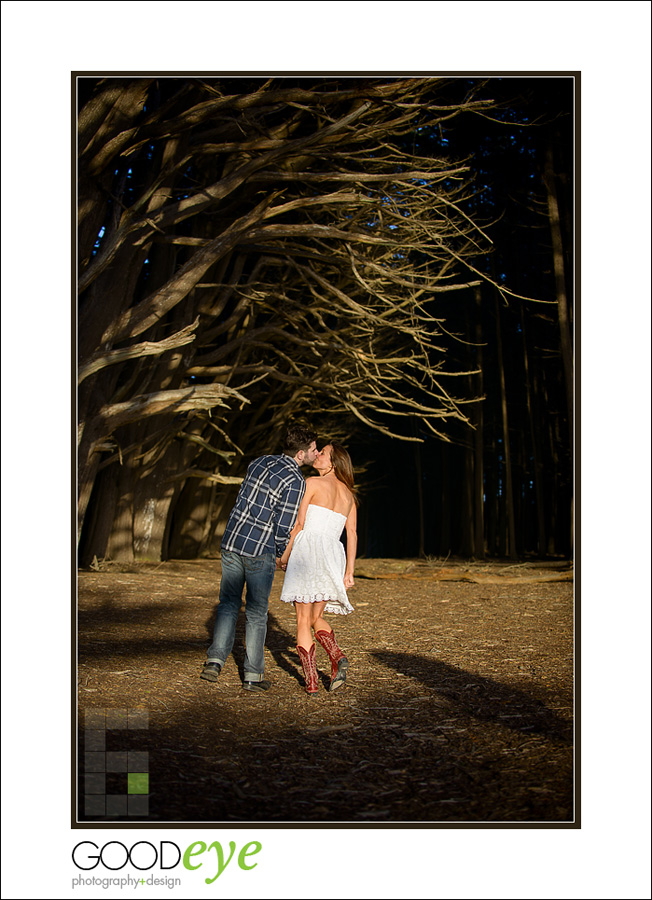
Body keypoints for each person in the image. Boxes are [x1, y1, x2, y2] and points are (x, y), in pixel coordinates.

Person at [201, 425, 318, 691]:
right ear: (300, 454)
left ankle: (215, 661)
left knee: (228, 604)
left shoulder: (260, 462)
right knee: (255, 613)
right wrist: (279, 552)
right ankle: (252, 675)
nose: (316, 453)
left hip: (232, 541)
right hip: (259, 551)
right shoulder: (295, 480)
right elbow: (284, 523)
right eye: (313, 450)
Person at [279, 443, 357, 694]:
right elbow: (352, 533)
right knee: (315, 618)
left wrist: (284, 555)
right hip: (333, 554)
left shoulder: (311, 483)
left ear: (333, 462)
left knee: (303, 620)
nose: (318, 455)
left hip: (308, 550)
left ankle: (312, 681)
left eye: (323, 453)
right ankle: (337, 657)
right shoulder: (348, 495)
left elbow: (300, 523)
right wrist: (349, 572)